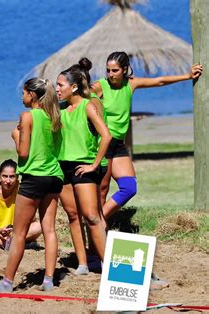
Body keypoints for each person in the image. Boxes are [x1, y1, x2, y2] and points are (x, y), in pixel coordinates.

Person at [92, 51, 203, 224]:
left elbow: (159, 81)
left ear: (125, 69)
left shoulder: (131, 84)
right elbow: (78, 99)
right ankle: (97, 232)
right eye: (108, 70)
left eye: (114, 70)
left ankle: (97, 222)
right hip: (102, 143)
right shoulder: (100, 86)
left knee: (129, 188)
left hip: (119, 145)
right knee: (102, 189)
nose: (110, 74)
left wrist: (187, 76)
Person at [0, 78, 63, 293]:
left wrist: (16, 136)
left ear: (32, 95)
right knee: (49, 229)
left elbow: (23, 153)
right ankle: (49, 280)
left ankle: (7, 282)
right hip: (54, 176)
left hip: (34, 177)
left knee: (19, 233)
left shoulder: (27, 116)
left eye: (23, 93)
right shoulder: (55, 117)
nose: (21, 97)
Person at [56, 59, 111, 268]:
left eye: (60, 85)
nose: (57, 89)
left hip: (84, 166)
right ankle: (82, 264)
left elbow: (106, 136)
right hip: (63, 167)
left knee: (91, 217)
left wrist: (94, 165)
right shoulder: (59, 109)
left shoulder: (87, 106)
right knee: (72, 215)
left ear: (74, 87)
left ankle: (108, 265)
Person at [0, 159, 41, 249]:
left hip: (16, 231)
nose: (8, 181)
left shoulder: (22, 189)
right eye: (5, 176)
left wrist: (15, 229)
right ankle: (13, 244)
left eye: (12, 177)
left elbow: (31, 218)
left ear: (17, 177)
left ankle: (6, 244)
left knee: (39, 226)